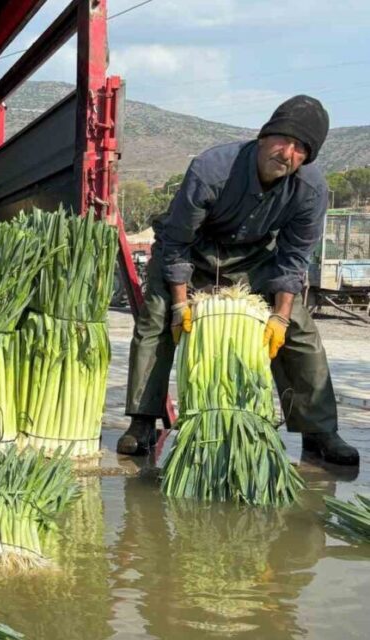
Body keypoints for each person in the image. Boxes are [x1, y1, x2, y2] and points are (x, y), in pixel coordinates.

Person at [118, 95, 359, 466]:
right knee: (156, 317)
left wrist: (279, 317)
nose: (288, 153)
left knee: (300, 330)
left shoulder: (309, 190)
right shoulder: (212, 168)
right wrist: (182, 303)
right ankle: (142, 422)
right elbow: (178, 242)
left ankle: (319, 431)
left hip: (251, 257)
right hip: (190, 250)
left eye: (301, 150)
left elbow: (293, 260)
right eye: (284, 140)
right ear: (264, 136)